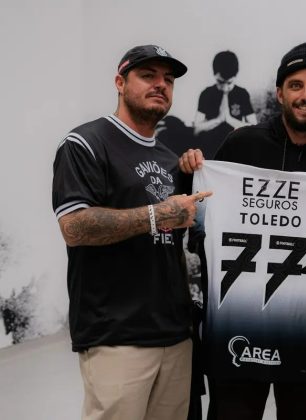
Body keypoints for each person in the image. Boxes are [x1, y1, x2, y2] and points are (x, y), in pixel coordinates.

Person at [187, 41, 306, 420]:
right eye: (296, 85)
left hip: (305, 331)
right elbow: (202, 227)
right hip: (236, 327)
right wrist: (188, 171)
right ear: (280, 93)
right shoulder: (242, 144)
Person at [52, 44, 211, 420]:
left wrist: (192, 174)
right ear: (120, 82)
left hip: (174, 334)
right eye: (148, 75)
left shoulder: (171, 161)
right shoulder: (85, 144)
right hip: (116, 335)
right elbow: (74, 227)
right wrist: (157, 216)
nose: (161, 85)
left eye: (168, 79)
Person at [193, 50, 257, 158]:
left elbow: (254, 127)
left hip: (236, 148)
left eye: (229, 83)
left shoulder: (242, 94)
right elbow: (196, 129)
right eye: (220, 82)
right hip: (210, 149)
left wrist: (229, 119)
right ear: (214, 75)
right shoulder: (206, 94)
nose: (225, 87)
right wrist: (219, 119)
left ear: (235, 77)